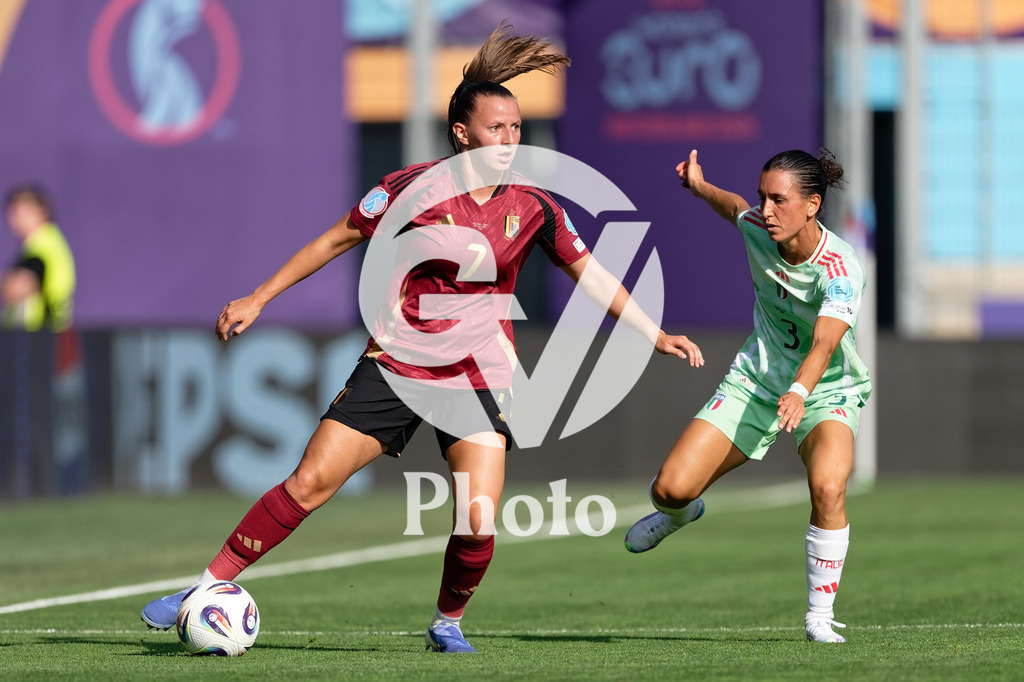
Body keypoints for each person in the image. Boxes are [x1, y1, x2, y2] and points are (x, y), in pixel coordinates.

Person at [140, 22, 704, 653]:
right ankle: (202, 588)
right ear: (463, 133)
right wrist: (259, 297)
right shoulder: (410, 188)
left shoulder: (537, 205)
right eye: (497, 128)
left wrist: (653, 333)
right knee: (309, 483)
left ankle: (447, 623)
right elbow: (335, 239)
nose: (510, 140)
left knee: (478, 517)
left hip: (478, 374)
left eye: (517, 128)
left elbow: (592, 275)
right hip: (400, 362)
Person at [624, 148, 872, 644]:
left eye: (779, 200)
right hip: (756, 383)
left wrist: (801, 390)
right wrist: (698, 185)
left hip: (825, 391)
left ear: (812, 205)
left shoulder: (841, 266)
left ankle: (819, 617)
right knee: (669, 489)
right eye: (765, 197)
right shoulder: (759, 226)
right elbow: (732, 205)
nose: (767, 209)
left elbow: (825, 341)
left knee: (828, 487)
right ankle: (681, 514)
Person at [1, 184, 76, 331]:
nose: (13, 220)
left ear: (41, 212)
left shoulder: (43, 246)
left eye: (19, 213)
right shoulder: (42, 244)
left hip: (42, 340)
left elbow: (19, 287)